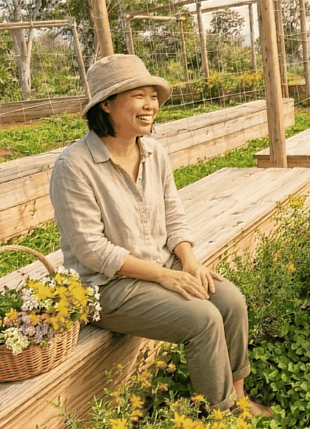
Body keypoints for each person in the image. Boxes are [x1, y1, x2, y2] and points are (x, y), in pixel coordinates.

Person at [49, 54, 271, 416]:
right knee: (202, 320)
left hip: (163, 263)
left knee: (230, 301)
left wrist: (189, 261)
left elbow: (173, 214)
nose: (150, 104)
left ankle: (238, 396)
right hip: (107, 287)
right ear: (106, 103)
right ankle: (219, 415)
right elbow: (92, 251)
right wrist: (166, 276)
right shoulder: (74, 166)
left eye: (153, 96)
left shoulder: (153, 150)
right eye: (138, 95)